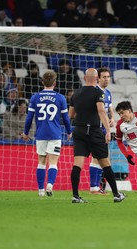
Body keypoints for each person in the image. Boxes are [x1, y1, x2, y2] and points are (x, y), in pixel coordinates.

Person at [69, 68, 125, 203]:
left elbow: (71, 115)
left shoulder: (75, 94)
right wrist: (108, 130)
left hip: (79, 130)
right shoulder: (99, 92)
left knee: (77, 165)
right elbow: (101, 111)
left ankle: (75, 196)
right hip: (94, 131)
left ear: (84, 79)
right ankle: (117, 194)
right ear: (96, 79)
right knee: (105, 162)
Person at [21, 71, 72, 197]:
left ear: (42, 82)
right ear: (55, 83)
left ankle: (40, 190)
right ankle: (50, 184)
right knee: (53, 162)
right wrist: (69, 131)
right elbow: (65, 118)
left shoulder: (35, 97)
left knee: (41, 161)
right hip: (55, 133)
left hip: (41, 134)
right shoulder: (60, 98)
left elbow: (29, 118)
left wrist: (25, 132)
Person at [88, 67, 114, 195]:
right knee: (97, 158)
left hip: (104, 129)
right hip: (96, 129)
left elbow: (109, 108)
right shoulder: (94, 92)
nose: (106, 79)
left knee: (100, 158)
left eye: (108, 77)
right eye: (104, 77)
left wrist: (112, 118)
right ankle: (94, 188)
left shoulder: (108, 93)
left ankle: (96, 187)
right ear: (98, 78)